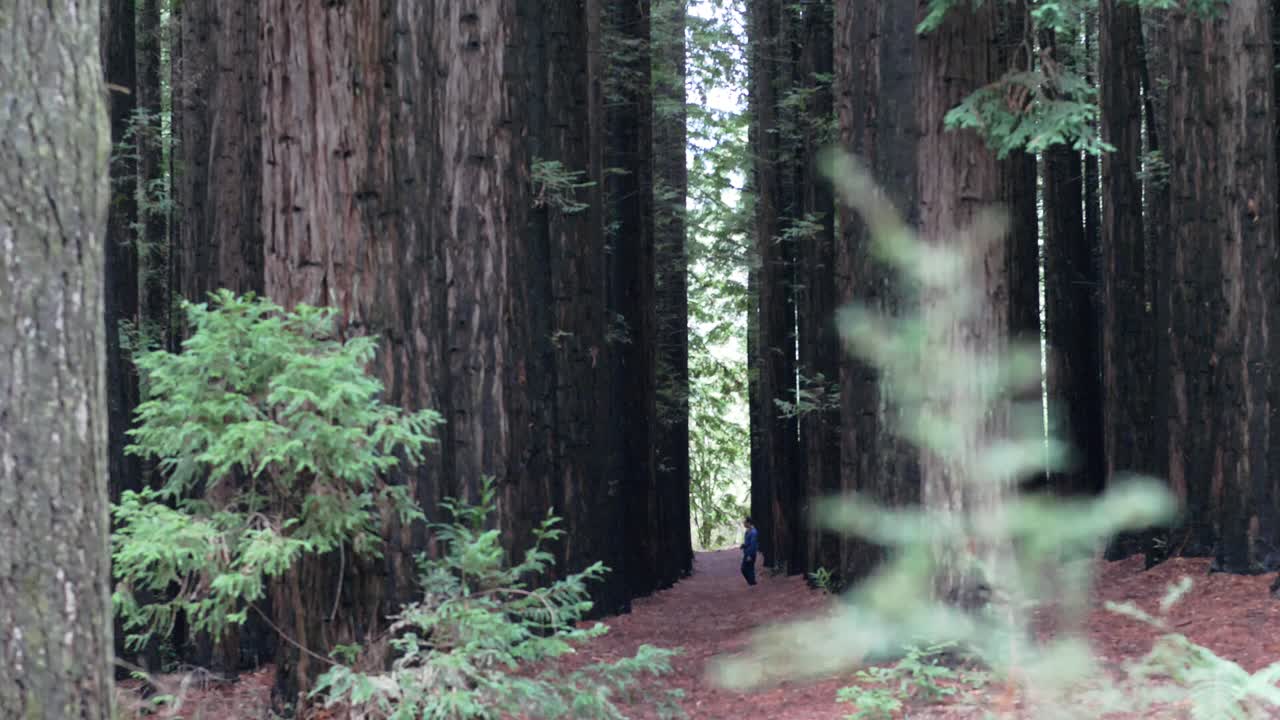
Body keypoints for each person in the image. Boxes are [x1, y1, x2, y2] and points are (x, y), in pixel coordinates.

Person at [739, 516, 758, 586]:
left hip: (750, 554)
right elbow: (748, 543)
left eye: (745, 522)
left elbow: (753, 545)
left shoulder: (753, 532)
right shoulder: (748, 531)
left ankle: (752, 583)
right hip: (747, 552)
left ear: (748, 523)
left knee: (744, 568)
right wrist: (744, 545)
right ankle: (752, 583)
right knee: (750, 569)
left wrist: (749, 555)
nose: (744, 524)